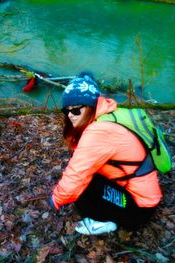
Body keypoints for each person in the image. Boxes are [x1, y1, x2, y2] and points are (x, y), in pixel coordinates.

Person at [49, 73, 162, 235]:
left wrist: (56, 199)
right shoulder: (108, 115)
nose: (70, 115)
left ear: (90, 107)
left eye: (75, 110)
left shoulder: (99, 132)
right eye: (66, 111)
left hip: (140, 208)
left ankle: (107, 222)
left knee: (81, 193)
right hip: (140, 194)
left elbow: (76, 175)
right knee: (86, 180)